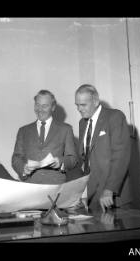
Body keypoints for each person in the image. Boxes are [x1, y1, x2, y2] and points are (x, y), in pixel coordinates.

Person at [75, 84, 131, 212]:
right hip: (93, 197)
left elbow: (121, 157)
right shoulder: (82, 123)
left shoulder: (115, 117)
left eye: (83, 105)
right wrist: (83, 194)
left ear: (95, 101)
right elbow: (85, 161)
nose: (79, 109)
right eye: (77, 105)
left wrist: (109, 189)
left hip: (112, 197)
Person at [12, 90, 78, 184]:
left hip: (55, 185)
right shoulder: (23, 131)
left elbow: (72, 158)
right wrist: (23, 168)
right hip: (30, 184)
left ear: (53, 107)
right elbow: (16, 158)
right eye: (37, 105)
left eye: (44, 106)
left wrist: (60, 162)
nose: (40, 109)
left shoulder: (65, 129)